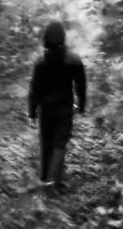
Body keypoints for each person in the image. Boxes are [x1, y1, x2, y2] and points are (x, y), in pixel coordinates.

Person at [28, 21, 87, 191]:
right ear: (63, 37)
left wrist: (32, 111)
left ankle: (46, 178)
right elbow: (81, 86)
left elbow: (35, 89)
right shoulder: (73, 60)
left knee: (47, 143)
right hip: (64, 108)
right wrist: (81, 105)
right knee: (60, 143)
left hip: (46, 109)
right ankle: (55, 180)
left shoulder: (40, 62)